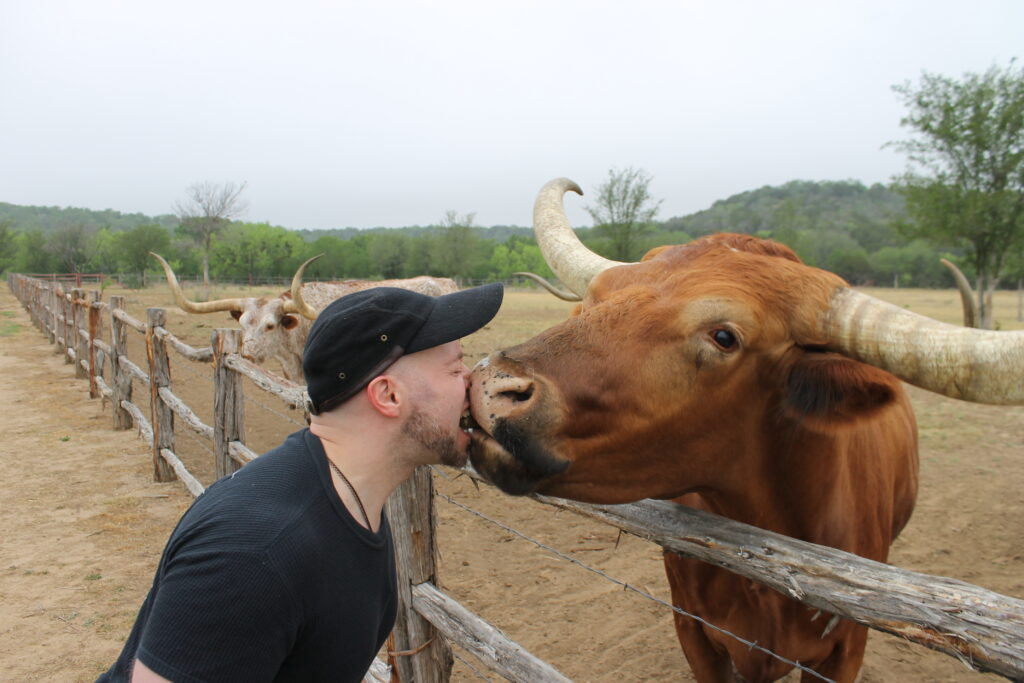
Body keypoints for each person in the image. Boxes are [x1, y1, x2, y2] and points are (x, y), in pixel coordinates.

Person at [97, 282, 504, 683]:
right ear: (388, 396)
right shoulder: (254, 554)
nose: (472, 382)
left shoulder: (352, 503)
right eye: (455, 368)